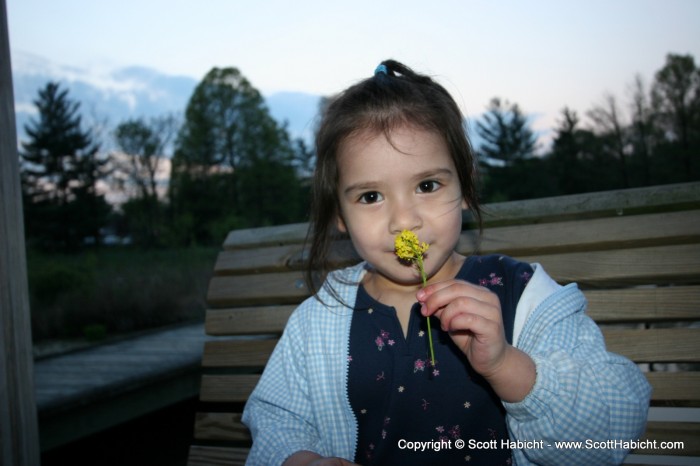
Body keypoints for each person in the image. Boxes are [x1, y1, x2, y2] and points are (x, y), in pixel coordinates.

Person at [241, 59, 651, 466]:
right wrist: (304, 460)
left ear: (465, 186)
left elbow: (613, 425)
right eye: (370, 196)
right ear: (339, 215)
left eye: (426, 185)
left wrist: (508, 366)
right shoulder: (316, 322)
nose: (404, 220)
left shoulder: (523, 295)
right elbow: (278, 420)